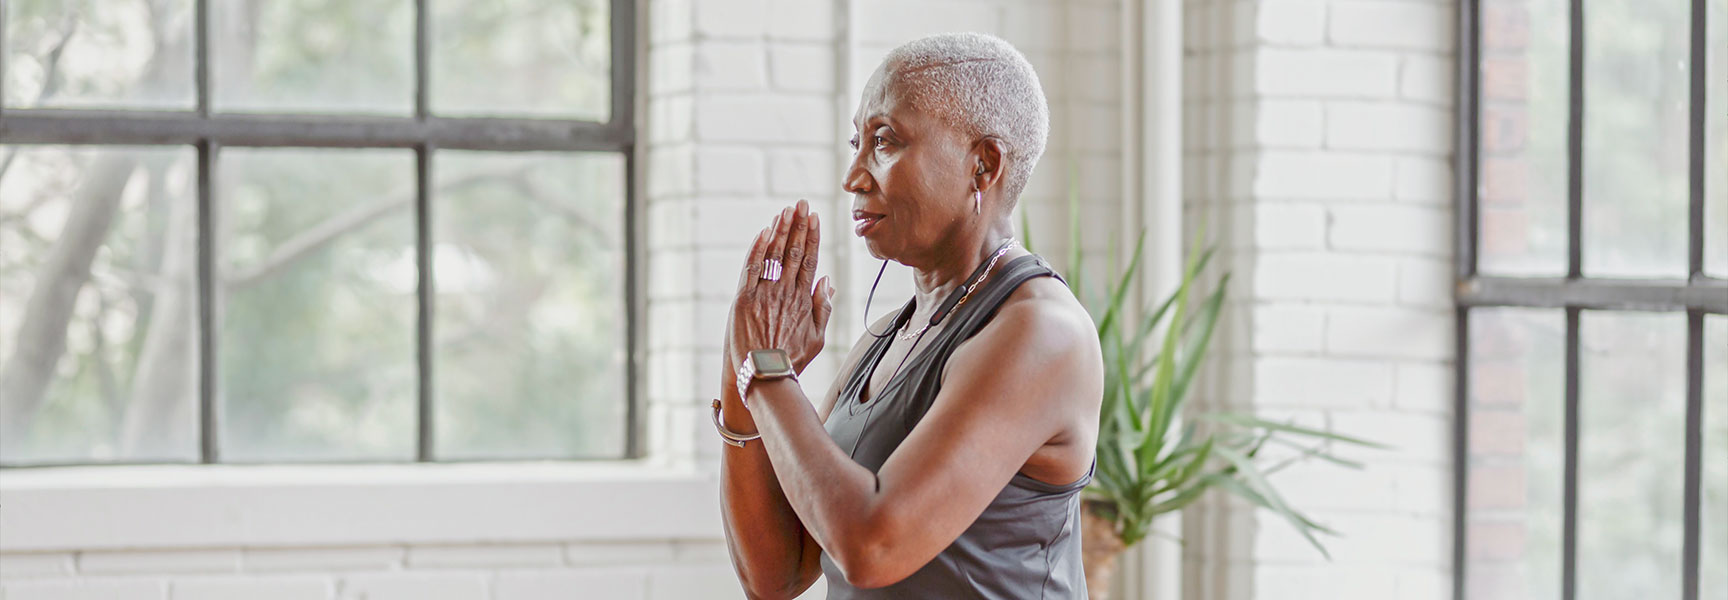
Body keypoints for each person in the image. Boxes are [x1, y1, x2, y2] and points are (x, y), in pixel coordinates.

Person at [714, 32, 1104, 599]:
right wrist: (741, 366)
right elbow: (777, 575)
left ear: (983, 164)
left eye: (885, 141)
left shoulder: (1039, 331)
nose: (853, 176)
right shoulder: (885, 337)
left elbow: (872, 548)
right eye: (857, 141)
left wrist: (768, 370)